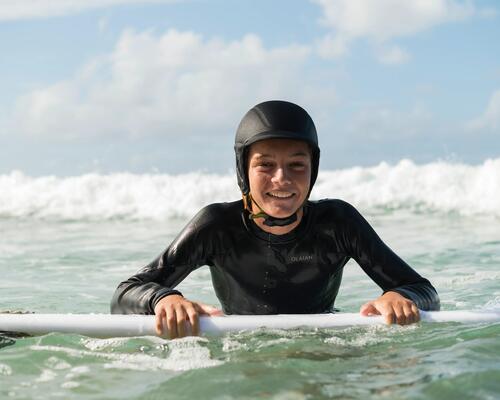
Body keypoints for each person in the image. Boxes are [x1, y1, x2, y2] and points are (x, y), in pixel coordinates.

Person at [111, 100, 440, 339]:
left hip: (323, 343)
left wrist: (398, 297)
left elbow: (423, 290)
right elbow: (126, 294)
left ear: (313, 169)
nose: (281, 178)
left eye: (297, 165)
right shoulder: (216, 227)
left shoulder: (338, 223)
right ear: (243, 170)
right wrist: (164, 299)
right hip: (243, 345)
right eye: (265, 165)